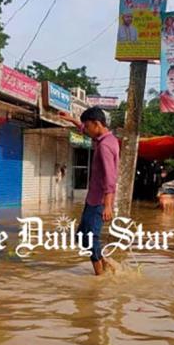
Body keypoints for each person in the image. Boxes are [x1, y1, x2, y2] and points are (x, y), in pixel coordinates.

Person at [58, 107, 119, 276]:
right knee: (81, 237)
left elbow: (110, 178)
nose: (86, 129)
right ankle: (104, 262)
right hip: (93, 200)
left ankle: (99, 277)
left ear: (97, 124)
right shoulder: (106, 139)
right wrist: (72, 120)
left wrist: (107, 206)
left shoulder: (105, 146)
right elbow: (86, 131)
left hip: (99, 202)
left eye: (87, 126)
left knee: (90, 239)